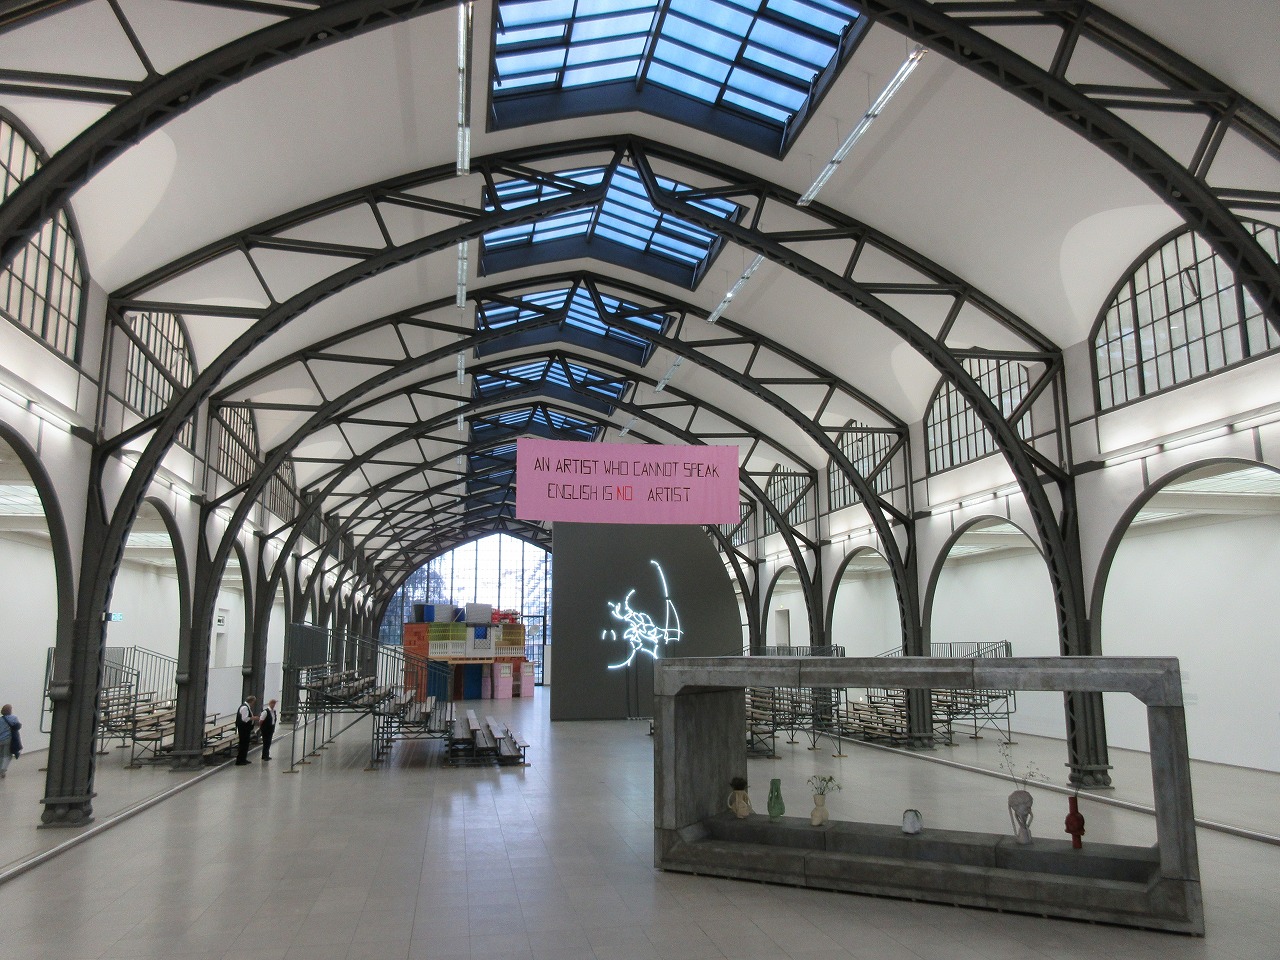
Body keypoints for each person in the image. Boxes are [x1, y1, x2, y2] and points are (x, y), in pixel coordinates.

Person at [234, 695, 257, 765]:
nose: (254, 704)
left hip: (246, 728)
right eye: (253, 702)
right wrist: (253, 718)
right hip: (243, 728)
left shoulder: (247, 707)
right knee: (243, 744)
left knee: (246, 744)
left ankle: (243, 758)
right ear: (251, 701)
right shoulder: (244, 707)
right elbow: (244, 719)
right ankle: (240, 760)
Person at [0, 704, 21, 779]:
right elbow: (17, 727)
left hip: (0, 740)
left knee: (1, 755)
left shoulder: (0, 719)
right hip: (8, 739)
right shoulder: (14, 718)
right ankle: (2, 771)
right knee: (7, 756)